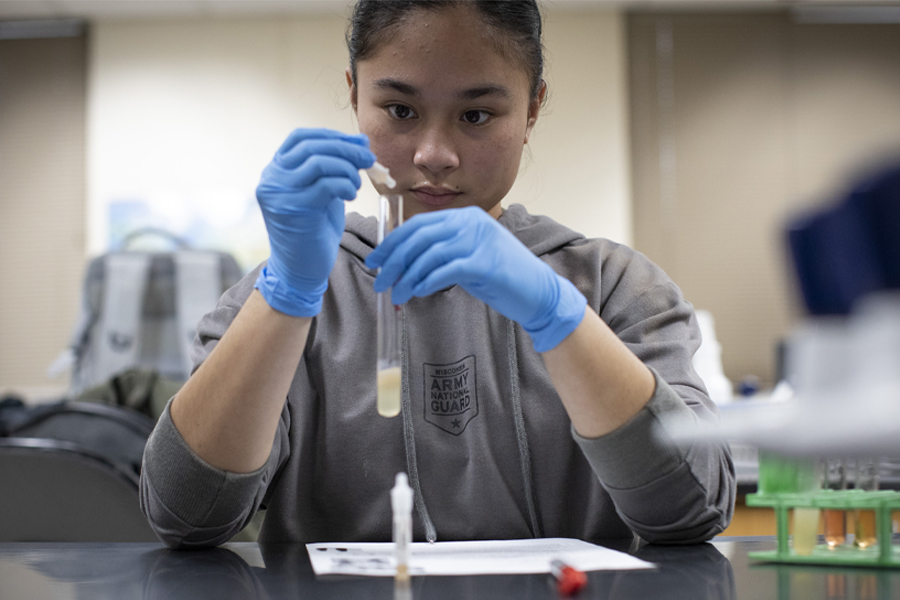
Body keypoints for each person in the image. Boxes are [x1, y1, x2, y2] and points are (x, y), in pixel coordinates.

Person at [140, 0, 735, 548]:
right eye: (400, 110)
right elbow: (185, 516)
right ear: (354, 94)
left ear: (531, 110)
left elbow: (691, 510)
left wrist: (558, 315)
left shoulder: (614, 287)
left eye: (475, 115)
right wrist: (289, 294)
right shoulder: (282, 297)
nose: (433, 153)